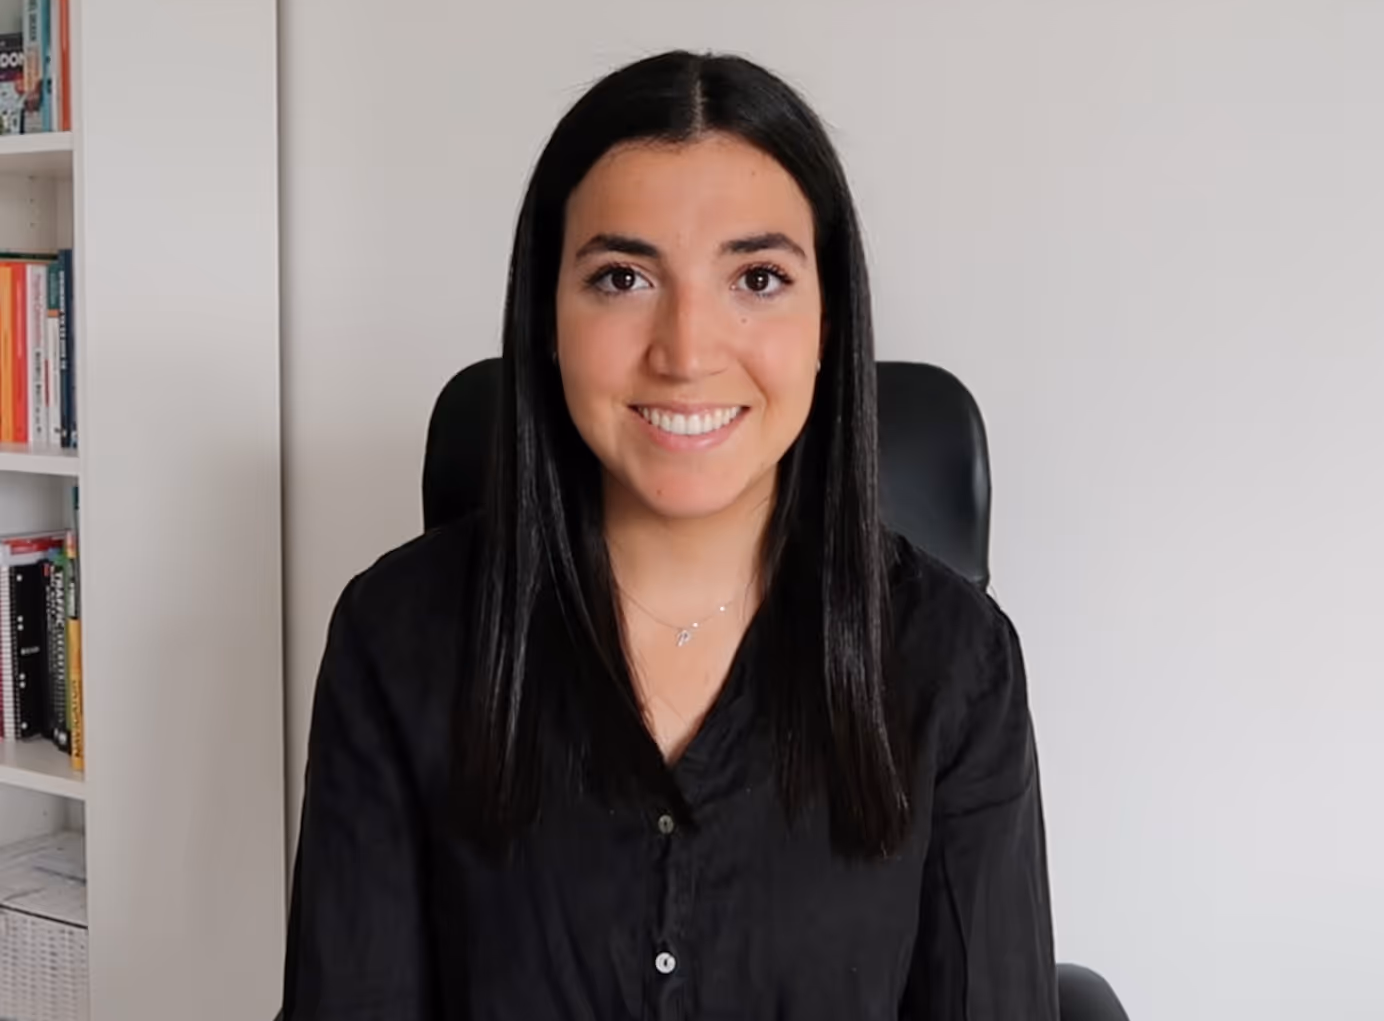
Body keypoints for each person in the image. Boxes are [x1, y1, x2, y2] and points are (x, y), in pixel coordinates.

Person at [280, 50, 1058, 1020]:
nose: (686, 350)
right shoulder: (396, 639)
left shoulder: (954, 663)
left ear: (828, 323)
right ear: (547, 321)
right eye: (621, 277)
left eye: (759, 277)